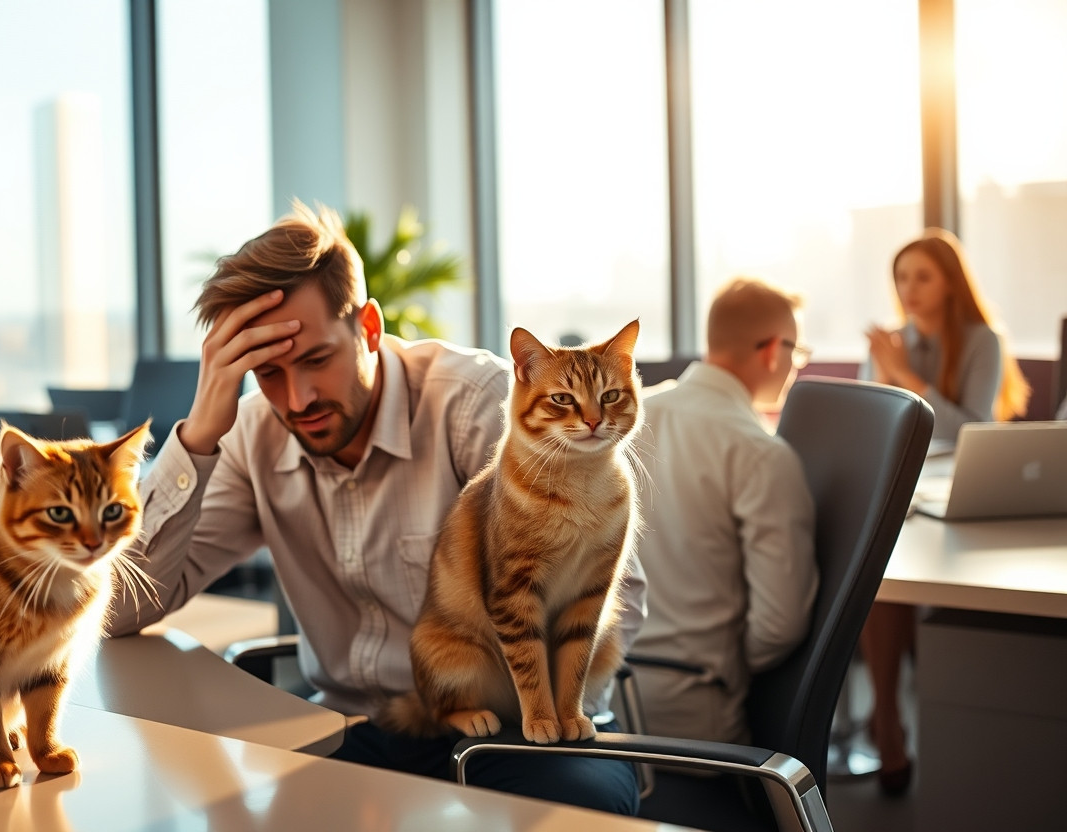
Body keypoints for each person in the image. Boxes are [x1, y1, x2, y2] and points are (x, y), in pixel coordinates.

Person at [105, 201, 647, 815]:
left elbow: (614, 597)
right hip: (355, 728)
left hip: (518, 725)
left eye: (315, 359)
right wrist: (200, 433)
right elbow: (115, 609)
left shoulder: (479, 404)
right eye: (268, 372)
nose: (298, 397)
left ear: (367, 328)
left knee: (576, 818)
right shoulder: (249, 432)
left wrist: (528, 705)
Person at [858, 227, 1030, 796]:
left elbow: (969, 429)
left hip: (968, 489)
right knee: (882, 582)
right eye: (901, 277)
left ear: (950, 282)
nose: (909, 289)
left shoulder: (982, 340)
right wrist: (885, 371)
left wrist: (903, 374)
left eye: (922, 276)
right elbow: (873, 425)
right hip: (904, 489)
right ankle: (887, 721)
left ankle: (946, 723)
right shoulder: (888, 341)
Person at [628, 277, 818, 746]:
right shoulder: (759, 454)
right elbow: (779, 626)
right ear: (774, 350)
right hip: (693, 714)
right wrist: (725, 659)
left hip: (594, 699)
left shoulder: (624, 425)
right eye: (797, 352)